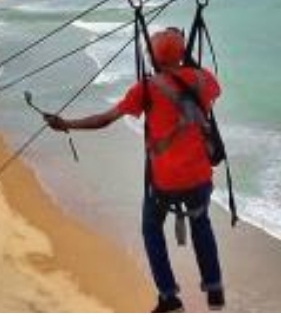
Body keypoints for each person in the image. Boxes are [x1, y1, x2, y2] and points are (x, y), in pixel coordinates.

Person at [44, 26, 225, 313]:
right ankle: (214, 289)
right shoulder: (204, 80)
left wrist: (67, 124)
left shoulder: (147, 88)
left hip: (164, 182)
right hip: (199, 178)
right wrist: (182, 60)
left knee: (151, 228)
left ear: (153, 58)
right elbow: (204, 86)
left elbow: (105, 119)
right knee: (200, 223)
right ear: (183, 53)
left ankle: (169, 296)